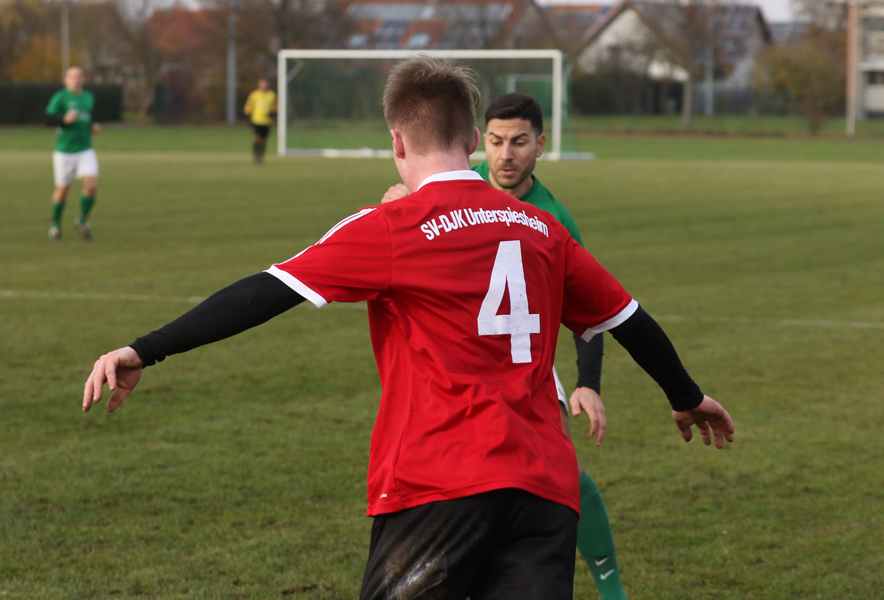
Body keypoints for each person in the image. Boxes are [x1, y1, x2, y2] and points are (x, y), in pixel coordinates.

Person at [83, 57, 734, 600]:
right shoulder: (543, 228)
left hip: (438, 483)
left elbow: (265, 292)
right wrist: (686, 396)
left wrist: (146, 349)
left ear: (397, 142)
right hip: (543, 489)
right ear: (474, 139)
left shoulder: (392, 227)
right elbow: (629, 320)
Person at [381, 92, 628, 599]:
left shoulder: (553, 217)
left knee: (564, 474)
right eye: (495, 141)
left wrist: (588, 383)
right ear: (479, 142)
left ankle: (612, 591)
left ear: (541, 145)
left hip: (522, 360)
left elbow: (593, 308)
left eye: (519, 142)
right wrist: (399, 204)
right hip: (455, 356)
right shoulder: (456, 184)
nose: (505, 155)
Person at [45, 65, 101, 241]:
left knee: (91, 184)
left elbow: (88, 117)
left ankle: (81, 221)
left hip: (85, 149)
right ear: (66, 80)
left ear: (83, 79)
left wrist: (92, 126)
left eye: (79, 76)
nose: (76, 80)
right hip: (64, 152)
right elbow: (48, 119)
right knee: (62, 190)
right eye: (72, 76)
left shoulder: (89, 97)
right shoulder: (60, 97)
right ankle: (56, 224)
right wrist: (63, 120)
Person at [243, 78, 277, 164]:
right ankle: (256, 156)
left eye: (265, 84)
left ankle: (261, 156)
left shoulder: (271, 95)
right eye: (262, 84)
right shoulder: (254, 94)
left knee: (264, 140)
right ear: (259, 85)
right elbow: (248, 106)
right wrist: (248, 117)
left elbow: (275, 107)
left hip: (267, 121)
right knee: (257, 138)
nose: (264, 86)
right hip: (256, 120)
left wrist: (273, 113)